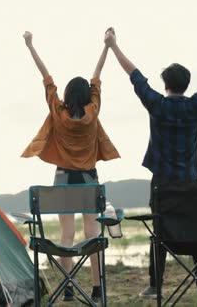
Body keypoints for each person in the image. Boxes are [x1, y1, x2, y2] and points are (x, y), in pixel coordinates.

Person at [105, 27, 197, 298]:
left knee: (159, 232)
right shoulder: (196, 106)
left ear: (166, 84)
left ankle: (155, 285)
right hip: (191, 182)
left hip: (162, 184)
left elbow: (135, 77)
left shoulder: (157, 104)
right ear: (186, 84)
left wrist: (113, 46)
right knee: (195, 226)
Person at [21, 30, 120, 302]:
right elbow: (98, 75)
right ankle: (98, 290)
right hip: (89, 179)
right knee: (92, 234)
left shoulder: (58, 111)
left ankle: (67, 288)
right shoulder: (93, 111)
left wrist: (30, 45)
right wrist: (108, 47)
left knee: (66, 235)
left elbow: (46, 76)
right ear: (88, 96)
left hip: (63, 178)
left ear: (66, 95)